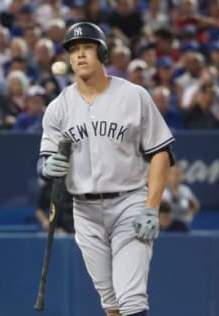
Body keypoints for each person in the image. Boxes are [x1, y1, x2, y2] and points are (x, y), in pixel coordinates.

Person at [38, 22, 174, 316]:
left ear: (101, 52)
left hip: (129, 202)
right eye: (74, 50)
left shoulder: (133, 95)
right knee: (111, 302)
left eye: (86, 47)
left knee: (131, 298)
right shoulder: (58, 108)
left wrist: (151, 207)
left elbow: (161, 152)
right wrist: (47, 167)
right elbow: (44, 160)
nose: (80, 55)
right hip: (84, 211)